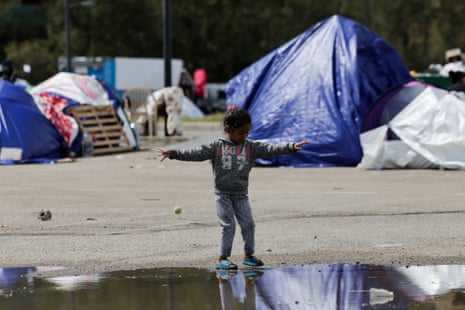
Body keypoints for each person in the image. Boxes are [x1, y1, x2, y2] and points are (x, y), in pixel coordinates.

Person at [157, 108, 308, 270]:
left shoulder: (250, 147)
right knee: (228, 225)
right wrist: (174, 153)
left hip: (241, 194)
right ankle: (223, 258)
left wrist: (291, 146)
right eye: (241, 132)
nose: (244, 136)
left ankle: (249, 255)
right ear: (228, 129)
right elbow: (196, 153)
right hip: (223, 195)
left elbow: (270, 149)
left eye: (247, 132)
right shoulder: (217, 146)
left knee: (249, 224)